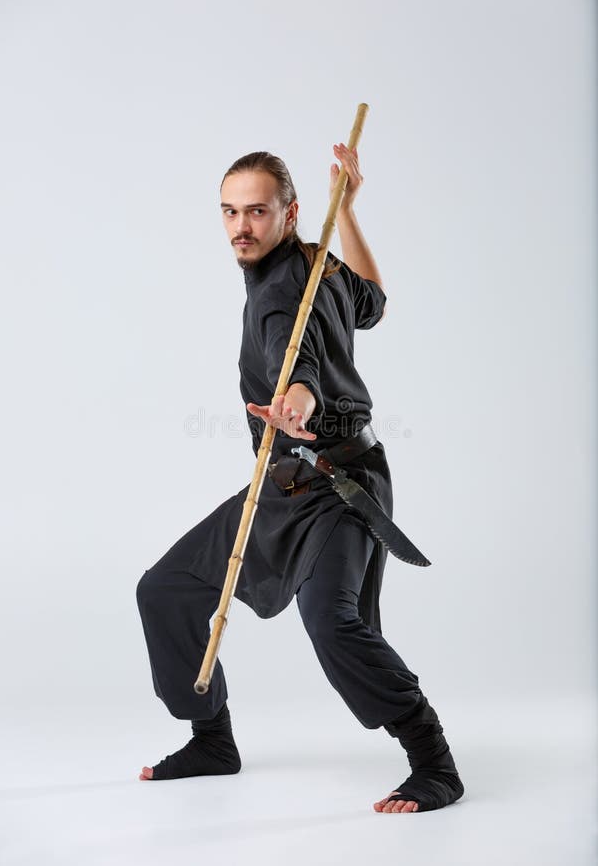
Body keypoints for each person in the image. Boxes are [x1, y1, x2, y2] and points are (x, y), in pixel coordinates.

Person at [135, 144, 465, 814]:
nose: (241, 226)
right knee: (166, 589)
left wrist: (299, 401)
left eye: (258, 211)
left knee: (333, 622)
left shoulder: (286, 291)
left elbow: (301, 361)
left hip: (338, 487)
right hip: (284, 480)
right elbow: (373, 303)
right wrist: (350, 214)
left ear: (289, 212)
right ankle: (212, 739)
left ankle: (433, 759)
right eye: (230, 211)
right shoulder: (318, 263)